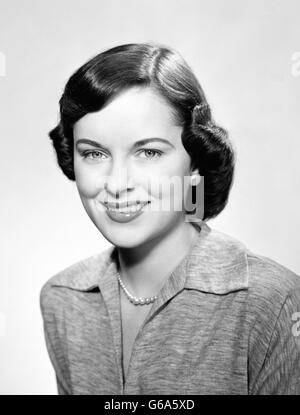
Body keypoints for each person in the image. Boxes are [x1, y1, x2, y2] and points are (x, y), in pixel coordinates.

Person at [40, 42, 300, 395]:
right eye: (94, 153)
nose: (117, 184)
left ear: (194, 163)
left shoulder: (271, 301)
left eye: (148, 152)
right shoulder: (62, 298)